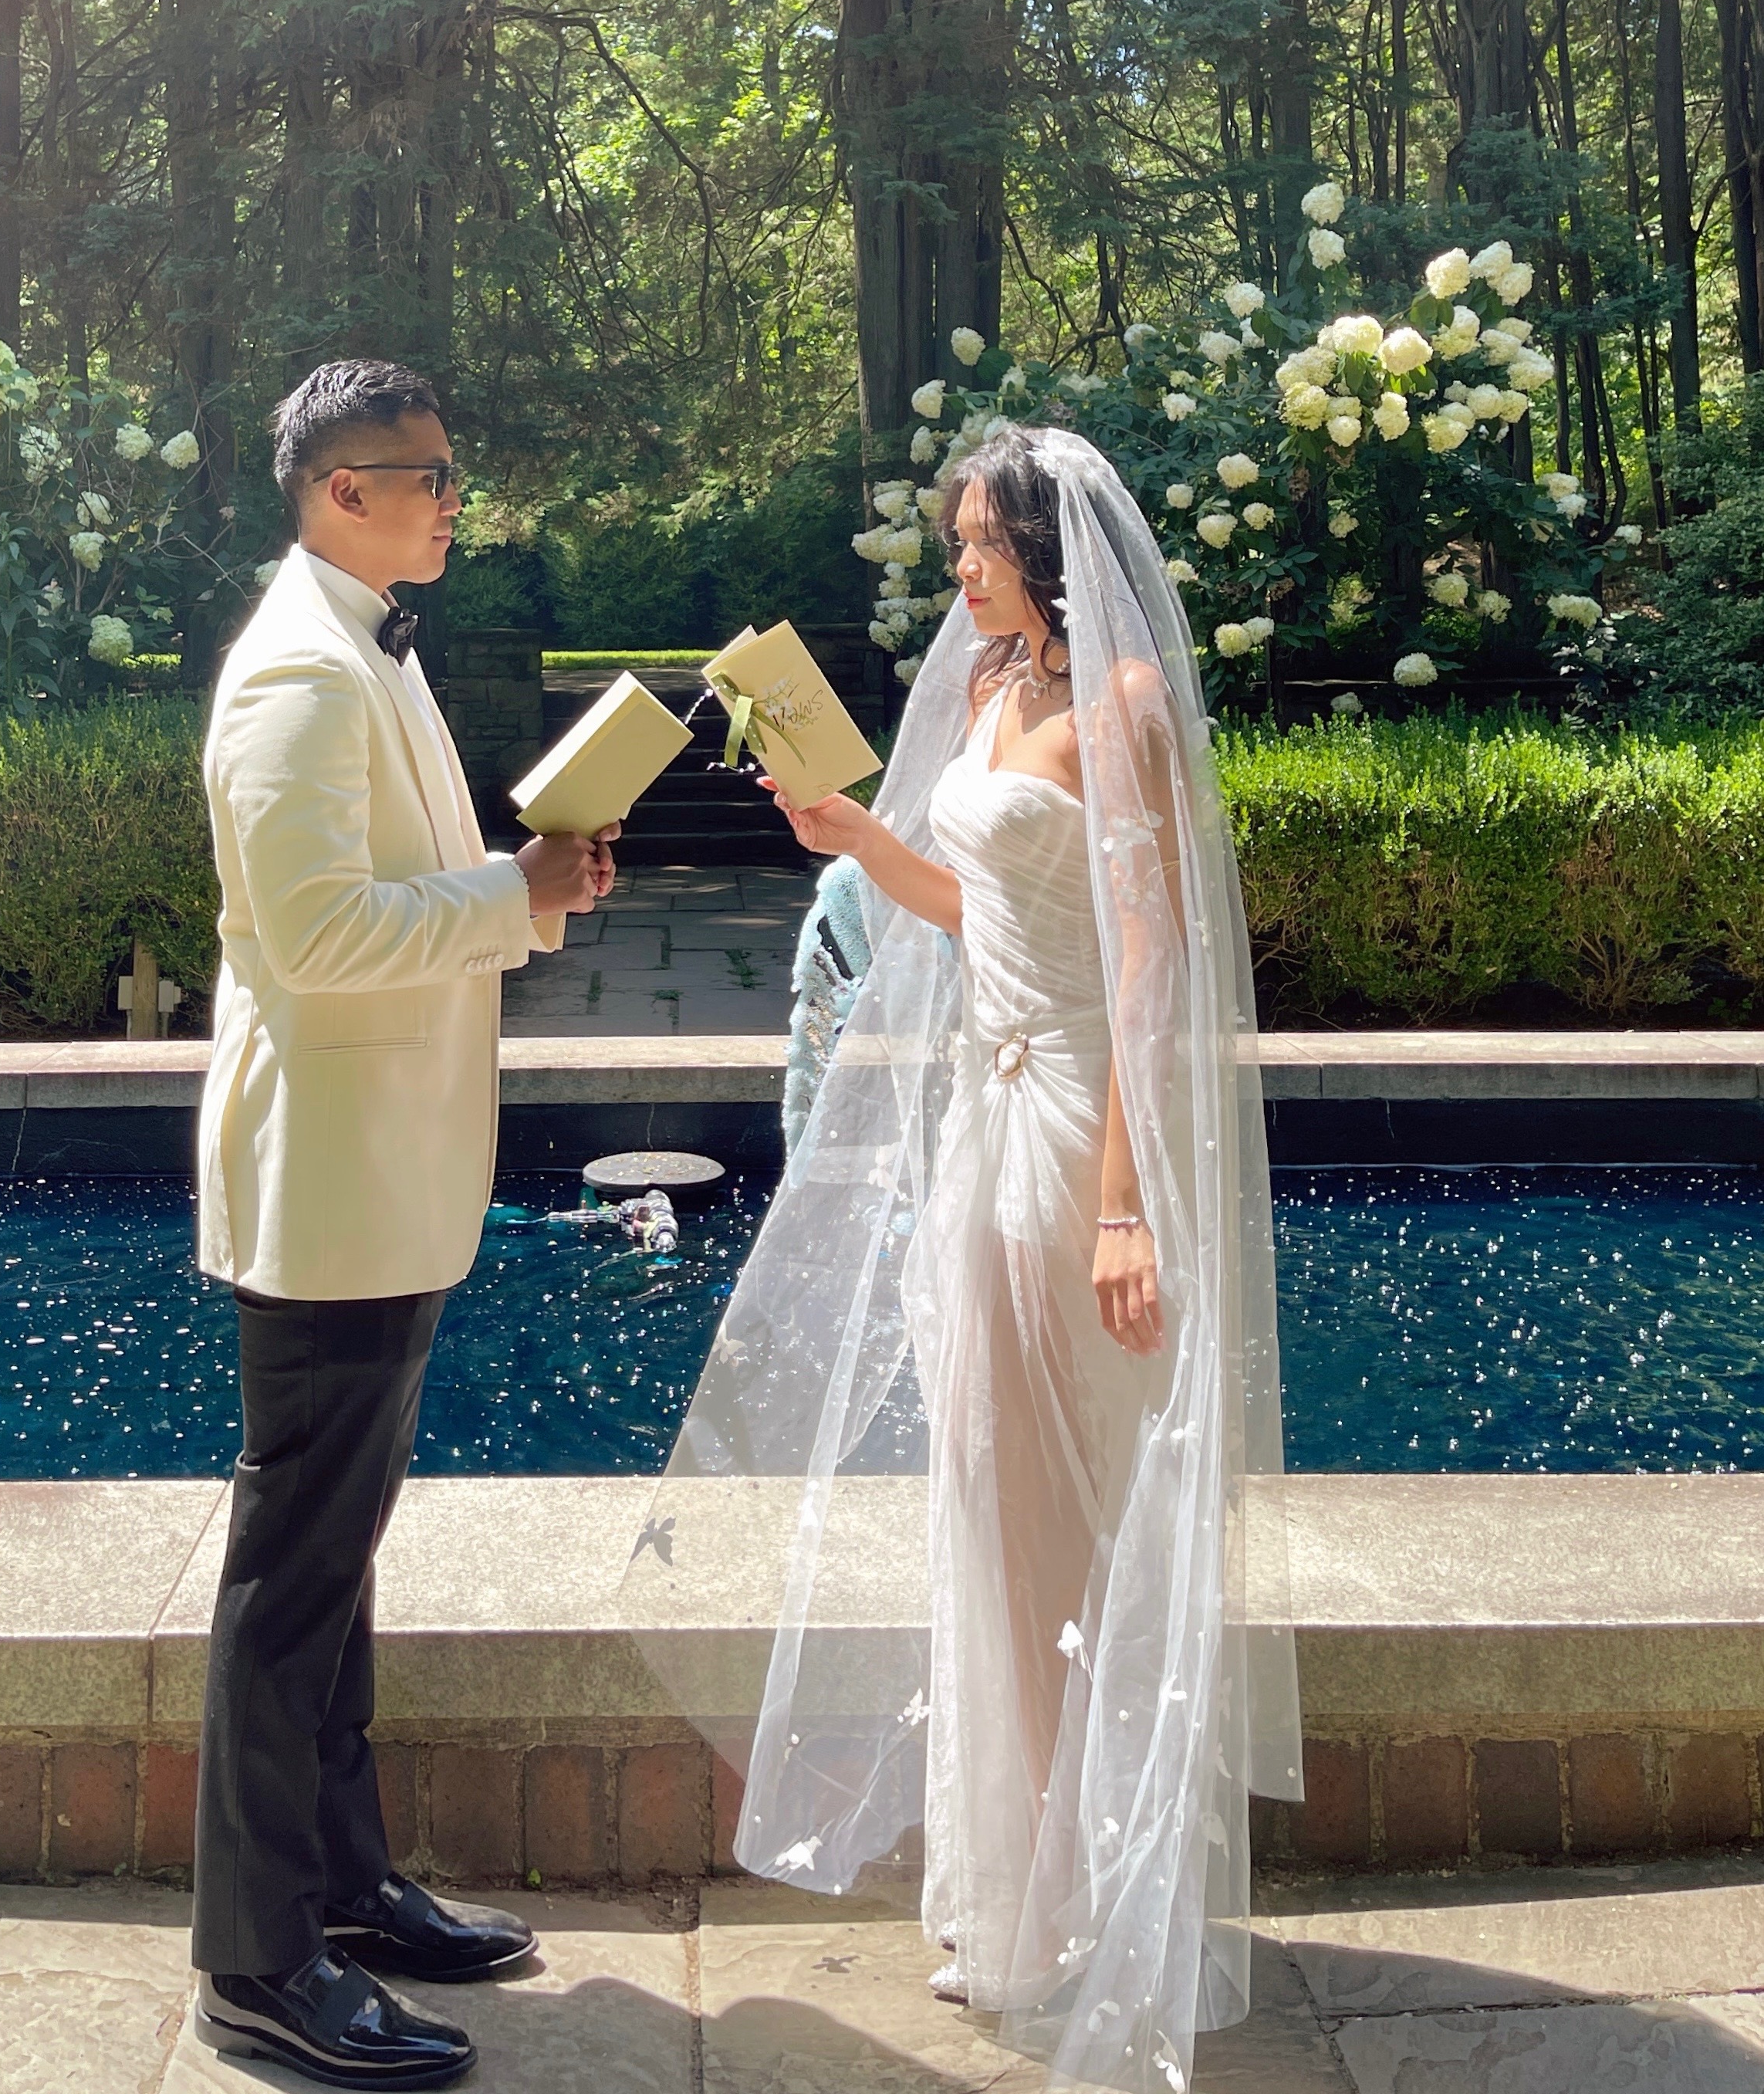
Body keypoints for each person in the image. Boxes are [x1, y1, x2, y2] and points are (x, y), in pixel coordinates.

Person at [640, 425, 1297, 2094]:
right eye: (956, 547)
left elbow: (1149, 974)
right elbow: (976, 908)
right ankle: (1027, 1890)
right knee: (998, 1508)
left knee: (1084, 1504)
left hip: (1084, 1129)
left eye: (978, 545)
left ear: (1047, 552)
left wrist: (1129, 1205)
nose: (958, 572)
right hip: (984, 1117)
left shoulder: (1125, 708)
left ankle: (1105, 1886)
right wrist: (857, 844)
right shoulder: (1000, 689)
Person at [191, 357, 617, 2089]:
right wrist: (511, 892)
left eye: (454, 471)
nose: (454, 500)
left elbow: (398, 886)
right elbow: (312, 939)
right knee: (293, 1578)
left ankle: (345, 1884)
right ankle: (253, 1963)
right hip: (329, 1186)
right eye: (427, 476)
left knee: (340, 1561)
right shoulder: (298, 670)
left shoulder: (369, 641)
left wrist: (534, 881)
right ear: (338, 489)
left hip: (385, 1175)